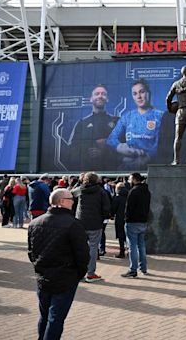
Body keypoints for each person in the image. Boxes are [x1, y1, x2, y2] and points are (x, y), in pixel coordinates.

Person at [28, 188, 90, 340]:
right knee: (55, 318)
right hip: (65, 278)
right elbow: (82, 255)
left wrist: (38, 266)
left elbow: (31, 252)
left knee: (45, 316)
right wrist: (78, 273)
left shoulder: (35, 223)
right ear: (62, 201)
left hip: (43, 275)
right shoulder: (73, 224)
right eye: (71, 199)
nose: (73, 202)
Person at [107, 79, 163, 170]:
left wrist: (147, 157)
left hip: (152, 168)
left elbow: (163, 144)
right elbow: (111, 139)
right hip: (128, 167)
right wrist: (121, 147)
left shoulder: (160, 116)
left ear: (149, 93)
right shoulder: (127, 117)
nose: (139, 97)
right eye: (135, 93)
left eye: (142, 92)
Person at [69, 84, 119, 170]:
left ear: (107, 99)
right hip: (88, 172)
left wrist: (105, 150)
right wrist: (87, 151)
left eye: (103, 94)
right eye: (97, 94)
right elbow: (72, 148)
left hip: (112, 172)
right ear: (91, 99)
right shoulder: (82, 123)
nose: (100, 96)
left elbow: (126, 145)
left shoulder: (118, 121)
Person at [72, 172, 110, 283]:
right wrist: (103, 218)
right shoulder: (101, 192)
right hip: (95, 223)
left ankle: (79, 273)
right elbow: (106, 208)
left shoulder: (80, 189)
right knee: (93, 248)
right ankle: (90, 273)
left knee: (79, 248)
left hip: (80, 222)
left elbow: (69, 194)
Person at [121, 173, 151, 278]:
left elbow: (128, 208)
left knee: (132, 247)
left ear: (134, 179)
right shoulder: (146, 191)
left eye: (129, 179)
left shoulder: (133, 192)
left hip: (132, 222)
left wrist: (126, 219)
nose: (129, 181)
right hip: (143, 221)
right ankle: (143, 268)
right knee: (141, 245)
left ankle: (133, 270)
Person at [110, 182, 128, 259]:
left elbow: (113, 209)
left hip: (120, 218)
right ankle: (130, 251)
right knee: (128, 236)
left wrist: (111, 215)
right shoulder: (129, 196)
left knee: (121, 236)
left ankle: (122, 252)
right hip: (129, 218)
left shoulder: (117, 198)